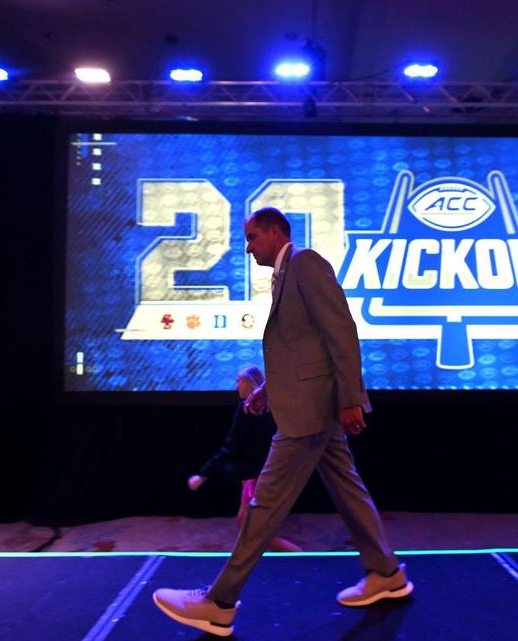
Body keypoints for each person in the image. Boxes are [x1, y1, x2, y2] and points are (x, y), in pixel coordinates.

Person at [153, 207, 413, 637]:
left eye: (253, 237)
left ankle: (219, 602)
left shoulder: (304, 263)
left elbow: (341, 331)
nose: (248, 247)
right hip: (310, 407)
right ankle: (386, 574)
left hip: (309, 414)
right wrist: (266, 391)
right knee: (349, 493)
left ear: (275, 232)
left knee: (264, 507)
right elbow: (301, 350)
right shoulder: (283, 275)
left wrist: (351, 398)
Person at [188, 365, 302, 553]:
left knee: (256, 531)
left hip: (258, 477)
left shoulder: (246, 408)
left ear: (250, 384)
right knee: (247, 526)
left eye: (238, 381)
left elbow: (230, 446)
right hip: (261, 475)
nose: (236, 387)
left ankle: (300, 556)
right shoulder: (270, 407)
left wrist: (203, 475)